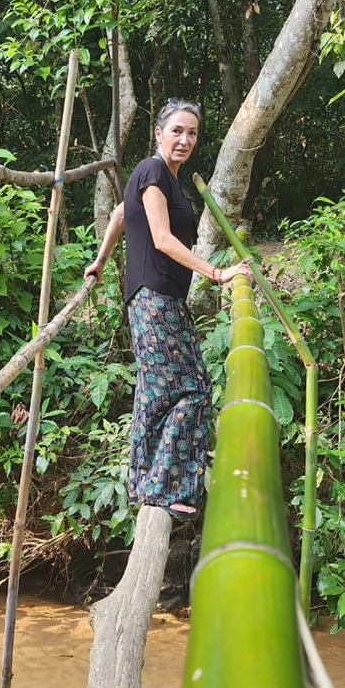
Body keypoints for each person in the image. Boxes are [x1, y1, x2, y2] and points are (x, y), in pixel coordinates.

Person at [85, 99, 253, 520]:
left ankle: (147, 482)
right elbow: (161, 238)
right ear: (158, 133)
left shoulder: (166, 180)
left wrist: (101, 260)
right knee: (189, 389)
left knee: (157, 390)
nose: (185, 139)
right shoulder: (153, 169)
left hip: (158, 298)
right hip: (154, 297)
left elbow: (123, 211)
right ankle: (164, 488)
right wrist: (216, 274)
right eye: (177, 130)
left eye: (192, 133)